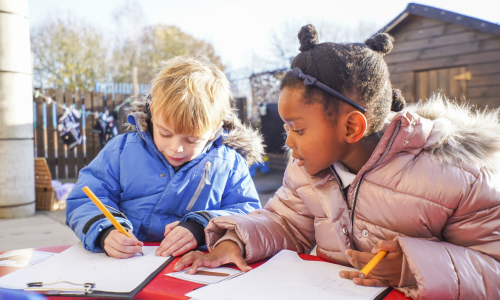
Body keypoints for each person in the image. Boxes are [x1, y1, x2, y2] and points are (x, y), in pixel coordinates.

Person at [175, 25, 500, 299]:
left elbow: (493, 268)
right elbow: (286, 223)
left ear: (351, 127)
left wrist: (411, 268)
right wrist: (236, 240)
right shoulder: (306, 169)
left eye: (298, 129)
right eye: (287, 127)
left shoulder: (459, 176)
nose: (288, 142)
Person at [66, 56, 264, 259]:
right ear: (152, 112)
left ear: (215, 128)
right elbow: (84, 199)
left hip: (194, 268)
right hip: (127, 265)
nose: (175, 148)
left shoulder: (229, 165)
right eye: (165, 133)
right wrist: (106, 232)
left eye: (192, 140)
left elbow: (247, 213)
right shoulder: (121, 151)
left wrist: (200, 227)